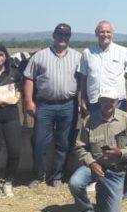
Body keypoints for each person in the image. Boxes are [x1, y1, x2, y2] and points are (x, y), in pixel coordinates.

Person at [69, 86, 127, 212]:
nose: (108, 104)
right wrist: (91, 163)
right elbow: (79, 146)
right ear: (99, 102)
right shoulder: (89, 120)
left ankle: (102, 191)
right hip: (94, 166)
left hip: (116, 171)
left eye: (111, 101)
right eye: (104, 101)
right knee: (75, 183)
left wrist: (121, 153)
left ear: (117, 101)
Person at [23, 23, 82, 187]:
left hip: (69, 105)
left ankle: (57, 176)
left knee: (64, 143)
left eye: (66, 35)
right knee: (40, 142)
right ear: (54, 36)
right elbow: (28, 78)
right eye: (60, 34)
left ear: (70, 37)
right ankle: (39, 175)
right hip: (45, 106)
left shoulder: (78, 57)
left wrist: (82, 101)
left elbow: (82, 81)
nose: (63, 38)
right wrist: (29, 101)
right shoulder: (40, 56)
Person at [79, 20, 127, 116]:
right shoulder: (87, 53)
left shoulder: (123, 51)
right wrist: (83, 100)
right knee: (95, 130)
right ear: (96, 34)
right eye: (102, 32)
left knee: (117, 129)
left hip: (117, 103)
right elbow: (83, 79)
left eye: (108, 32)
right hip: (94, 102)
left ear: (112, 34)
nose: (105, 34)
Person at [0, 44, 22, 199]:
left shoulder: (14, 73)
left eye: (1, 55)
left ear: (6, 57)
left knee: (14, 151)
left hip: (11, 113)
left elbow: (20, 89)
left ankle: (8, 182)